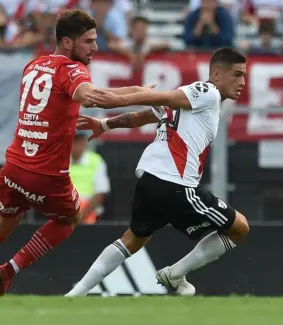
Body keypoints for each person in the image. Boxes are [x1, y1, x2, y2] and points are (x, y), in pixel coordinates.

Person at [66, 47, 250, 296]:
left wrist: (105, 123)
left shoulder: (189, 98)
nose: (242, 82)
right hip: (175, 185)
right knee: (239, 227)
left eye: (244, 75)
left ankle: (76, 293)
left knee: (133, 239)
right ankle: (175, 274)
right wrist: (119, 100)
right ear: (216, 73)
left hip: (150, 181)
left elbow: (143, 117)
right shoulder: (208, 92)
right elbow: (156, 99)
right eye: (237, 74)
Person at [0, 9, 152, 295]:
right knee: (70, 218)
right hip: (47, 176)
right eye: (89, 41)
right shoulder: (72, 69)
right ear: (68, 43)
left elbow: (87, 91)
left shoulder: (34, 64)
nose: (95, 47)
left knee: (5, 225)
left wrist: (136, 88)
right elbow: (93, 96)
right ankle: (9, 270)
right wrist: (147, 97)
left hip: (13, 167)